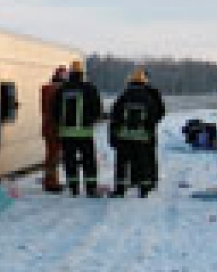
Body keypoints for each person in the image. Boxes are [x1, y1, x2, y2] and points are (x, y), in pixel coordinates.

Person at [109, 68, 163, 197]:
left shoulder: (123, 96)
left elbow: (115, 116)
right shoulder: (149, 97)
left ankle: (120, 190)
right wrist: (149, 131)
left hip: (124, 137)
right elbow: (154, 116)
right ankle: (144, 190)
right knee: (143, 162)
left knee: (122, 164)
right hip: (142, 137)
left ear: (130, 81)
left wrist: (113, 135)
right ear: (144, 82)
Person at [52, 60, 103, 197]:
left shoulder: (62, 89)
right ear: (82, 73)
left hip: (66, 132)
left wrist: (60, 124)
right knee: (88, 160)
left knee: (69, 160)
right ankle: (91, 189)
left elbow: (54, 111)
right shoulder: (90, 88)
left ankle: (74, 188)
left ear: (70, 73)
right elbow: (97, 109)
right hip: (85, 132)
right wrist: (91, 121)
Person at [40, 65, 68, 192]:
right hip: (55, 127)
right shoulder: (59, 90)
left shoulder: (46, 89)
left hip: (47, 126)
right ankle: (51, 182)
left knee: (50, 155)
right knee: (53, 156)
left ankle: (49, 180)